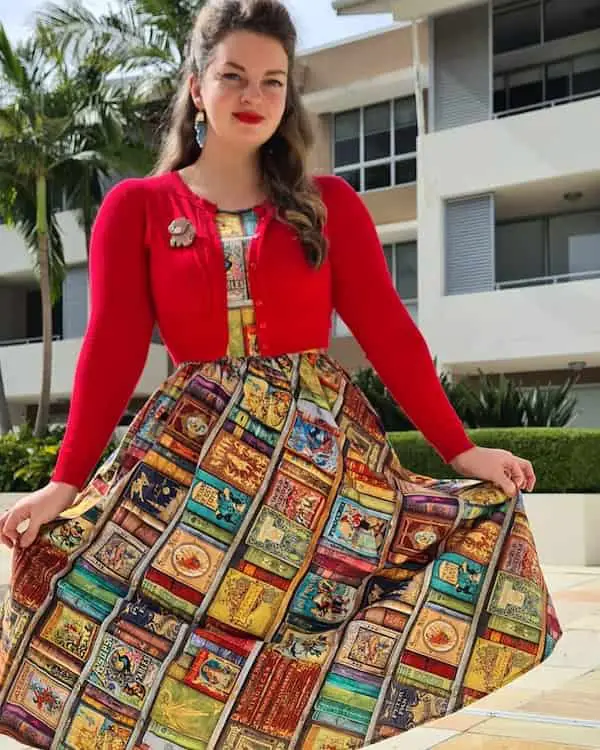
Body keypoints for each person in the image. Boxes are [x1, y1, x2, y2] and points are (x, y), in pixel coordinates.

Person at [0, 1, 560, 748]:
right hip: (194, 455)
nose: (254, 97)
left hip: (318, 461)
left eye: (272, 80)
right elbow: (112, 346)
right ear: (196, 86)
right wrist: (64, 484)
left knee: (311, 631)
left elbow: (389, 334)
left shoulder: (328, 207)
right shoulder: (137, 207)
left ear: (289, 92)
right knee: (155, 617)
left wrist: (462, 452)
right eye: (233, 76)